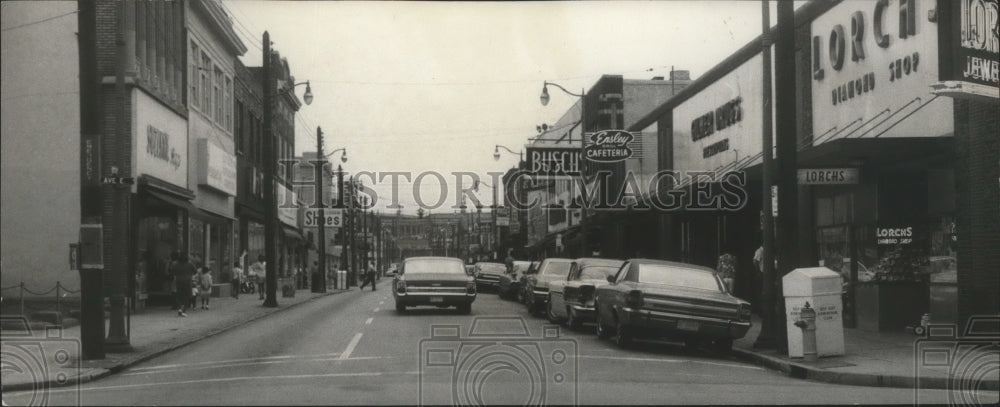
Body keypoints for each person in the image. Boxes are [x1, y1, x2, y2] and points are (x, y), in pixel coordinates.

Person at [170, 252, 197, 317]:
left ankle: (180, 308)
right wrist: (190, 274)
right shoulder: (189, 263)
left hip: (178, 281)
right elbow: (195, 271)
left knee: (180, 295)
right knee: (187, 296)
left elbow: (172, 272)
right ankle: (183, 311)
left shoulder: (175, 264)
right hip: (187, 281)